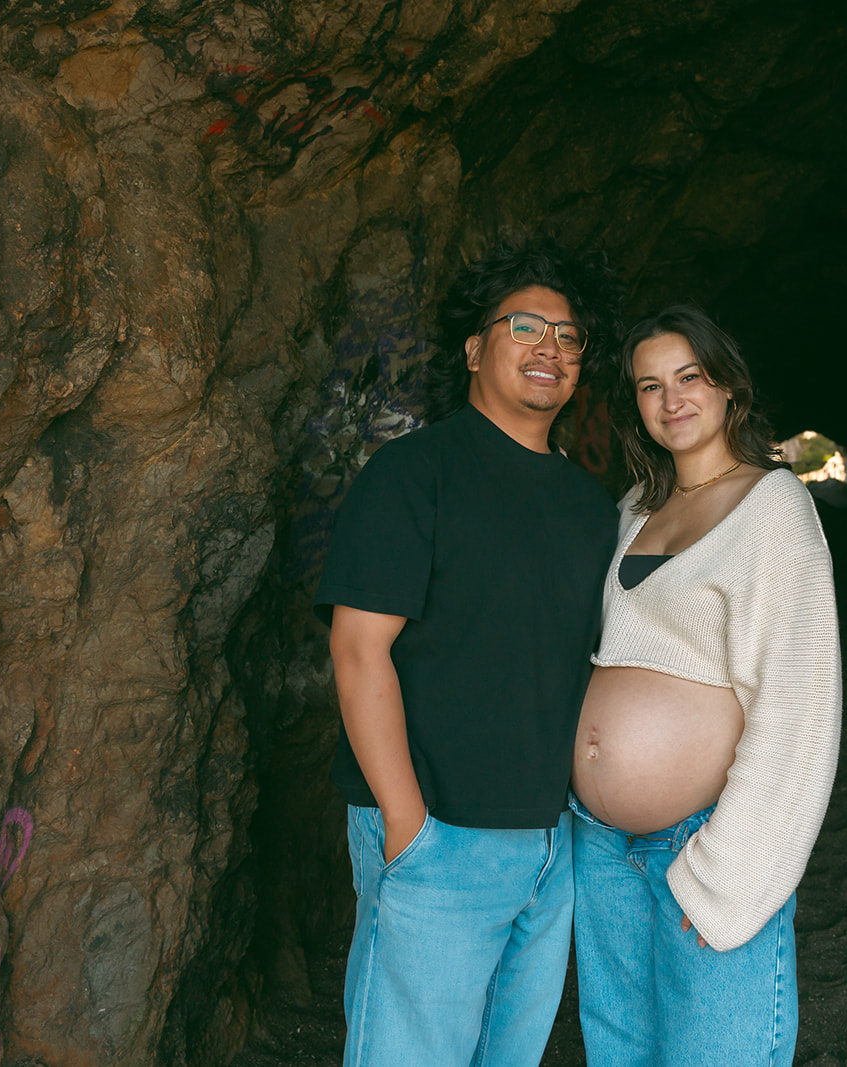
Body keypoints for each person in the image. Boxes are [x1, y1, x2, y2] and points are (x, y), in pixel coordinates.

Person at [312, 237, 621, 1066]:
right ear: (476, 348)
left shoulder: (590, 505)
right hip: (439, 831)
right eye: (525, 326)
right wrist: (409, 827)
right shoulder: (415, 474)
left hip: (550, 843)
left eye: (568, 335)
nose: (549, 346)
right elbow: (357, 650)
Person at [570, 305, 843, 1065]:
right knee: (622, 1051)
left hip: (699, 845)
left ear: (728, 387)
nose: (672, 399)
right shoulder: (636, 508)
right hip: (602, 848)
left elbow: (799, 707)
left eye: (689, 376)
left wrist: (731, 871)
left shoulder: (773, 506)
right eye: (650, 385)